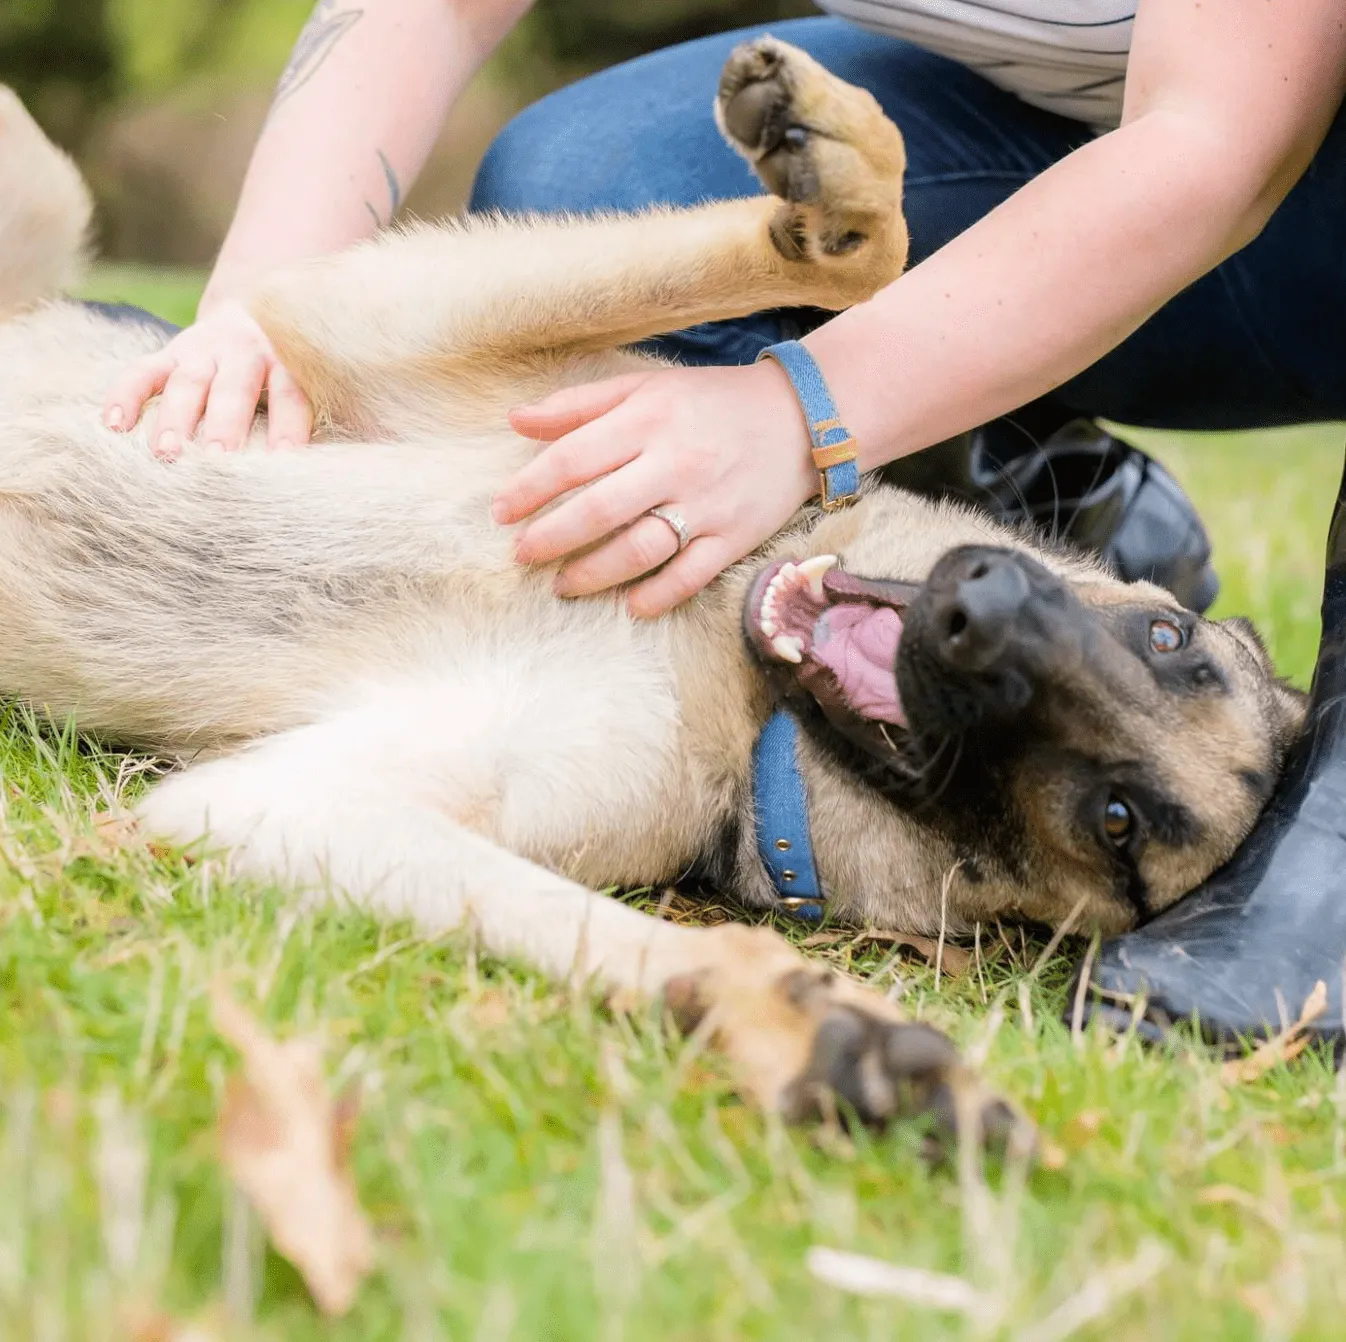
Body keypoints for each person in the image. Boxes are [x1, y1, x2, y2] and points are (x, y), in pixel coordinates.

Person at [102, 0, 1346, 1043]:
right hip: (1070, 126)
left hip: (1283, 180)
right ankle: (1014, 464)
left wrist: (797, 405)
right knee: (582, 181)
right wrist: (256, 311)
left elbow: (1214, 138)